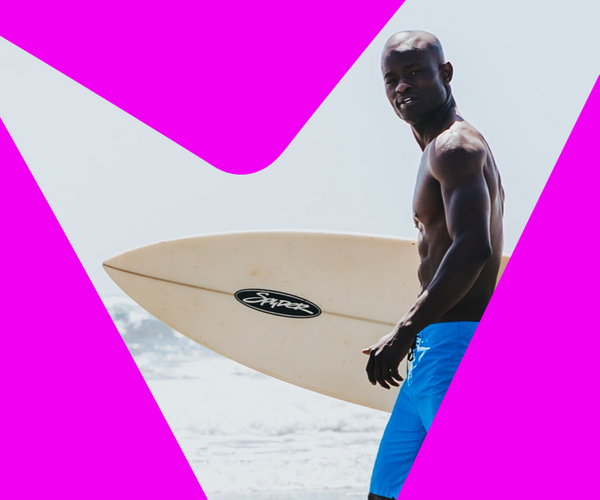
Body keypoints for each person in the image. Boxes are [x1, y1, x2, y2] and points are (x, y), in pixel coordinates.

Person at [362, 31, 504, 499]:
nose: (402, 86)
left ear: (445, 74)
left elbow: (473, 247)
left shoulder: (455, 148)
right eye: (392, 79)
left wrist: (403, 330)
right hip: (433, 350)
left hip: (455, 350)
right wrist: (414, 336)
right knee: (385, 493)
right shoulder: (436, 151)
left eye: (416, 73)